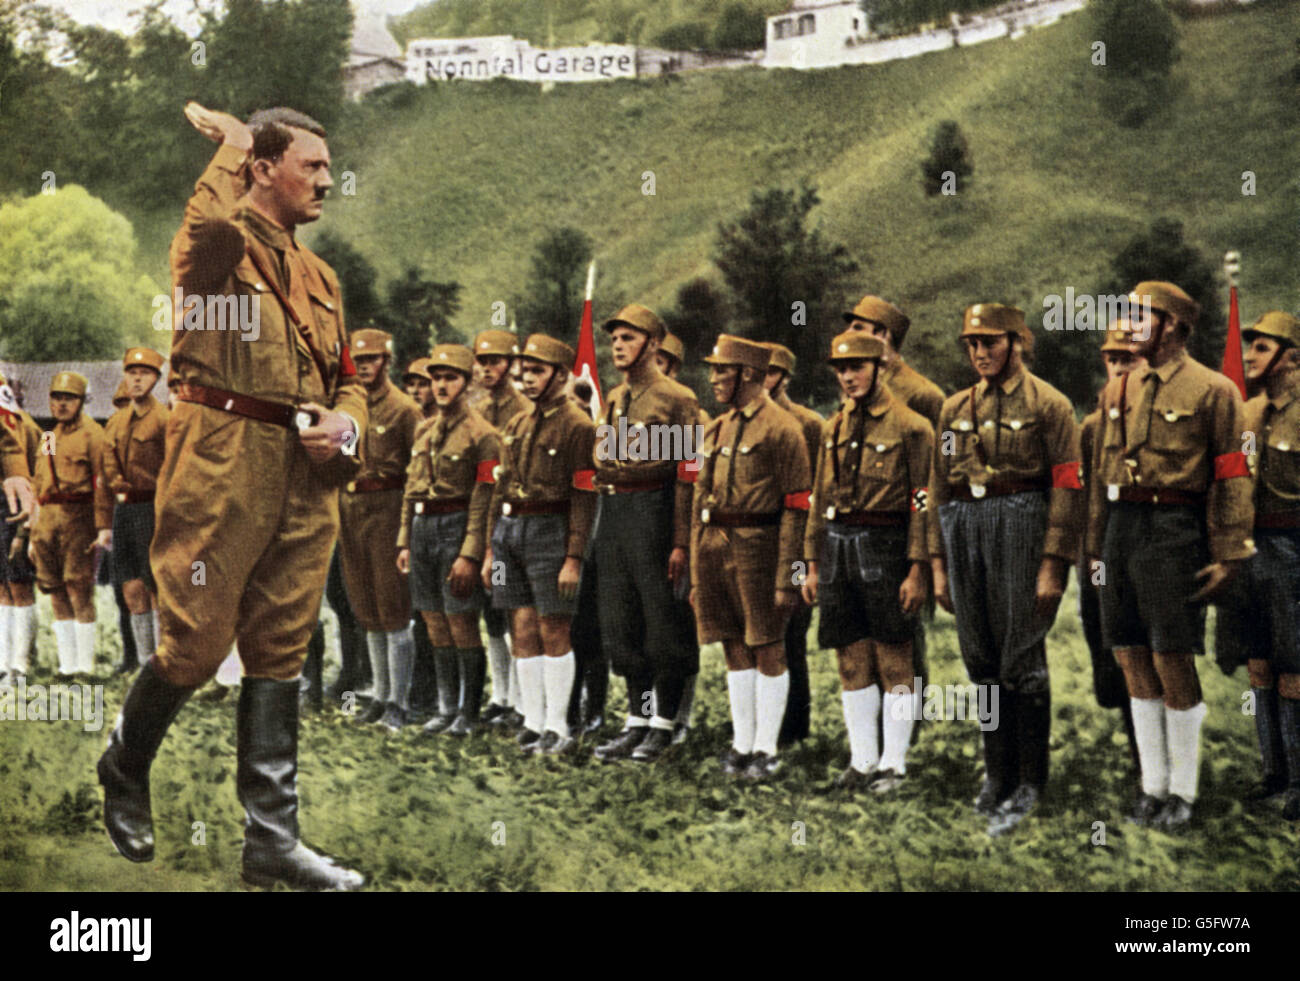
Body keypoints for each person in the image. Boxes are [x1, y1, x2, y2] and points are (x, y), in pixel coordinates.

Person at [97, 102, 367, 890]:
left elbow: (347, 378)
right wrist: (232, 148)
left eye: (325, 166)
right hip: (223, 460)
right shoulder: (216, 251)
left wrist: (345, 427)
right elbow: (206, 228)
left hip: (305, 470)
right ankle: (124, 763)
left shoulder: (321, 276)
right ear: (263, 170)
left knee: (282, 647)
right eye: (310, 166)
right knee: (196, 642)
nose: (325, 181)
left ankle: (272, 841)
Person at [1085, 281, 1253, 831]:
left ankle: (1183, 790)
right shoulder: (1119, 390)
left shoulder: (1214, 390)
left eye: (1144, 315)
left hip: (1175, 526)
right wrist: (1095, 549)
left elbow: (1232, 474)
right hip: (1122, 526)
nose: (1131, 324)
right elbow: (1102, 475)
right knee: (1130, 653)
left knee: (1171, 655)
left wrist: (1229, 552)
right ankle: (1152, 785)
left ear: (1175, 327)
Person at [930, 303, 1082, 835]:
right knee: (981, 658)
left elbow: (1067, 485)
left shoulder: (1051, 405)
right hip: (964, 528)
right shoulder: (953, 409)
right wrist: (937, 563)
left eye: (990, 342)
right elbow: (940, 486)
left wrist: (1053, 564)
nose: (979, 353)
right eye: (971, 344)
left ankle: (1028, 782)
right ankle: (996, 774)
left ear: (1017, 342)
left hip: (1022, 527)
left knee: (1021, 655)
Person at [803, 331, 933, 791]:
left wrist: (918, 567)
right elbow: (819, 498)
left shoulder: (912, 427)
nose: (848, 377)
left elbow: (922, 502)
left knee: (894, 657)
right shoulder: (832, 427)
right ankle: (861, 761)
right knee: (850, 658)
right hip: (838, 547)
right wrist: (811, 562)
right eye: (840, 369)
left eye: (857, 367)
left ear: (879, 368)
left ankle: (894, 763)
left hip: (886, 545)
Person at [692, 334, 811, 782]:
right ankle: (742, 744)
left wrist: (789, 575)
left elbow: (799, 506)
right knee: (733, 644)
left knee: (768, 645)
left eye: (723, 370)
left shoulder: (783, 428)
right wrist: (698, 562)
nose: (715, 378)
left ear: (750, 374)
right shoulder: (717, 428)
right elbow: (698, 497)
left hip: (760, 546)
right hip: (715, 544)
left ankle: (767, 749)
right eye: (715, 369)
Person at [590, 304, 701, 764]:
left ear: (654, 345)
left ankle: (664, 724)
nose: (618, 345)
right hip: (615, 510)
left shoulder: (677, 399)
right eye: (615, 338)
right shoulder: (615, 399)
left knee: (662, 623)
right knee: (621, 622)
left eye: (629, 338)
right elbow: (601, 456)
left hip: (655, 509)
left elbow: (687, 475)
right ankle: (638, 718)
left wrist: (679, 540)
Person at [482, 334, 596, 756]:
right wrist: (491, 548)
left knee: (554, 628)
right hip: (511, 532)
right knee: (521, 627)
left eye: (537, 371)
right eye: (524, 371)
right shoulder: (516, 424)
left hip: (552, 531)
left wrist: (573, 556)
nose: (526, 379)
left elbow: (585, 496)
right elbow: (500, 487)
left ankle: (557, 724)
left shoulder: (579, 427)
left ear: (561, 375)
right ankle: (532, 720)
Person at [1214, 311, 1300, 816]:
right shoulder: (1245, 415)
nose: (1249, 357)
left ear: (1291, 357)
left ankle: (1297, 783)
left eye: (1262, 349)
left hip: (1292, 547)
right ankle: (1272, 774)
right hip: (1250, 548)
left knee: (1294, 665)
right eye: (1249, 348)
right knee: (1259, 663)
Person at [398, 343, 499, 737]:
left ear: (466, 381)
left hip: (456, 528)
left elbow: (484, 496)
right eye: (434, 379)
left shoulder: (483, 435)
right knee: (433, 619)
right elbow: (411, 488)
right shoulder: (423, 430)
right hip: (423, 530)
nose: (440, 386)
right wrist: (404, 540)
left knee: (460, 620)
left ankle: (469, 712)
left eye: (449, 378)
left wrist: (470, 553)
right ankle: (446, 706)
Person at [337, 328, 422, 731]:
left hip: (388, 508)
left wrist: (407, 528)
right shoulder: (346, 407)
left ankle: (399, 702)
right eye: (358, 361)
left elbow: (418, 473)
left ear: (387, 362)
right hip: (351, 508)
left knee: (393, 608)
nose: (364, 367)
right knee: (365, 608)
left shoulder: (404, 409)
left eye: (371, 360)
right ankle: (380, 693)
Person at [1078, 321, 1146, 763]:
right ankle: (1135, 744)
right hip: (1100, 554)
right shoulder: (1091, 425)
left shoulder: (1157, 422)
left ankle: (1155, 765)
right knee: (1110, 652)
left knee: (1151, 652)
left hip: (1146, 550)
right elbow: (1083, 495)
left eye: (1130, 360)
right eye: (1113, 360)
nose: (1119, 368)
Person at [760, 341, 823, 747]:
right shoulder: (741, 420)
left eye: (766, 373)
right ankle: (763, 723)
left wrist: (807, 559)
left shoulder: (808, 423)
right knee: (761, 634)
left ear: (783, 377)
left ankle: (794, 727)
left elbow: (813, 493)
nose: (759, 381)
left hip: (797, 541)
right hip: (758, 542)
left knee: (792, 631)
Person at [94, 348, 169, 673]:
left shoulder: (165, 419)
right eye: (132, 373)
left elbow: (173, 472)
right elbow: (104, 475)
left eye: (145, 373)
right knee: (130, 586)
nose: (137, 379)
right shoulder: (115, 421)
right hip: (123, 513)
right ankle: (142, 663)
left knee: (156, 587)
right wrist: (104, 524)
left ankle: (162, 664)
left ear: (156, 379)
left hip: (153, 509)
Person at [473, 329, 531, 729]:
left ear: (511, 365)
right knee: (490, 612)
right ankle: (501, 694)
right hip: (477, 517)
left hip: (510, 520)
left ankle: (523, 701)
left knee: (513, 609)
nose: (486, 369)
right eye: (481, 361)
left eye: (494, 361)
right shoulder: (474, 407)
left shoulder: (524, 408)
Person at [31, 370, 105, 678]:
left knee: (78, 587)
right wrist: (31, 530)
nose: (61, 405)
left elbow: (102, 483)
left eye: (69, 399)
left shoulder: (93, 435)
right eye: (56, 398)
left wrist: (103, 526)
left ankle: (84, 666)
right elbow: (39, 482)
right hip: (47, 520)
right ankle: (67, 664)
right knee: (54, 588)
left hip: (78, 517)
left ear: (82, 402)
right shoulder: (48, 437)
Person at [654, 331, 707, 743]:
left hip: (680, 528)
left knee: (678, 627)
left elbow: (691, 485)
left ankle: (679, 716)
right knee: (649, 626)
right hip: (645, 524)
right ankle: (651, 714)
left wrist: (684, 542)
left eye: (664, 361)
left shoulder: (691, 416)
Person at [0, 372, 41, 685]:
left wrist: (26, 530)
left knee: (19, 585)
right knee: (2, 589)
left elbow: (34, 478)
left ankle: (21, 665)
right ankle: (5, 662)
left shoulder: (25, 426)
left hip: (12, 505)